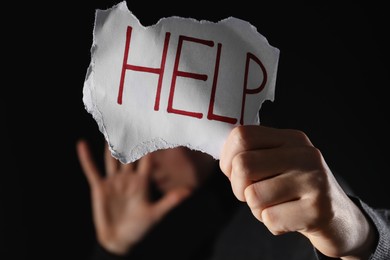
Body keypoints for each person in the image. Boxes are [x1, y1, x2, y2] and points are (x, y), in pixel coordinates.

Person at [76, 125, 390, 260]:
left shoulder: (281, 198)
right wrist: (112, 248)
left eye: (152, 139)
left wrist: (362, 238)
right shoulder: (173, 232)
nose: (142, 160)